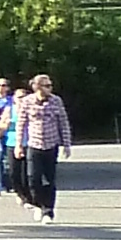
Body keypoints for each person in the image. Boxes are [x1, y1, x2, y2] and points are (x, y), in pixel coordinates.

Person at [16, 71, 73, 219]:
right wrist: (18, 145)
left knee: (49, 179)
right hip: (34, 144)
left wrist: (66, 144)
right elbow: (21, 124)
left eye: (50, 85)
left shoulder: (56, 101)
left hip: (51, 144)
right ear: (38, 87)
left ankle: (48, 210)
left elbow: (63, 122)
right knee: (33, 178)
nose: (50, 88)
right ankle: (37, 204)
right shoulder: (27, 101)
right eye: (47, 86)